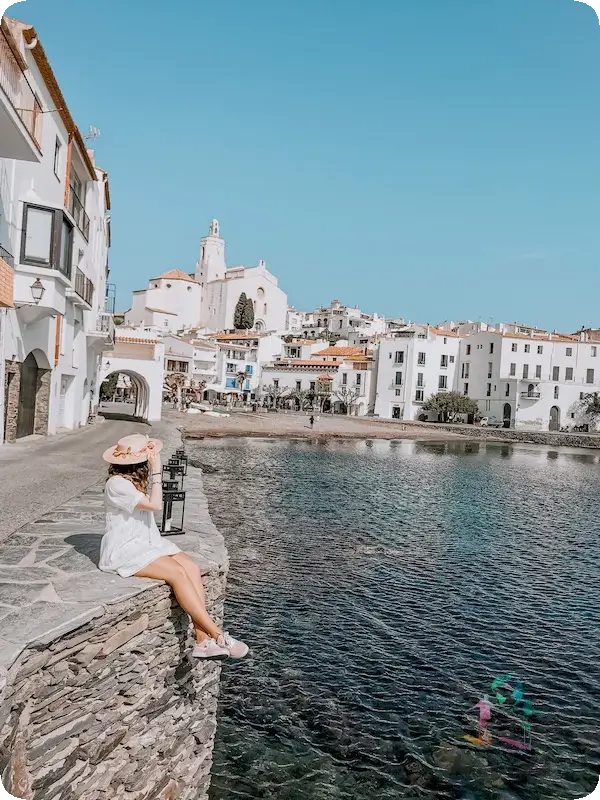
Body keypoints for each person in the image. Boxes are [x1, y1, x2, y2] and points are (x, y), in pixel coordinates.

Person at [100, 434, 248, 660]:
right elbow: (155, 505)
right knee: (177, 573)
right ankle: (217, 634)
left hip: (147, 541)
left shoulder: (131, 481)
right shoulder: (116, 485)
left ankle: (202, 641)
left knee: (191, 567)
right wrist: (157, 470)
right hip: (126, 548)